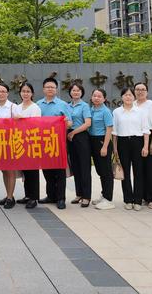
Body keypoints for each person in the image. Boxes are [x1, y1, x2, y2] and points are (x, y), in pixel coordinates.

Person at [37, 77, 72, 210]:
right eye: (47, 87)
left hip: (59, 143)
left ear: (56, 89)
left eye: (52, 87)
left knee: (60, 171)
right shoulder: (38, 104)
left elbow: (70, 123)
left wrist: (64, 123)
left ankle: (61, 198)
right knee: (47, 171)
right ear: (43, 89)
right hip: (43, 143)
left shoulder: (63, 105)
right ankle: (50, 195)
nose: (50, 89)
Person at [113, 87, 150, 210]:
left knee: (138, 172)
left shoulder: (140, 112)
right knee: (125, 172)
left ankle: (138, 201)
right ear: (122, 97)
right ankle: (128, 200)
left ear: (133, 97)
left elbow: (146, 130)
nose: (128, 97)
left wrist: (145, 146)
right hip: (122, 143)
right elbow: (115, 132)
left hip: (137, 142)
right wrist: (115, 149)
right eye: (125, 95)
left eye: (130, 95)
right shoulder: (117, 112)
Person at [13, 82, 42, 209]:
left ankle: (34, 197)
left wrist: (22, 120)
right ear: (20, 93)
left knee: (32, 171)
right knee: (25, 170)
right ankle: (27, 195)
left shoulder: (35, 107)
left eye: (28, 91)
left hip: (31, 142)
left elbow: (36, 124)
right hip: (20, 141)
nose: (25, 93)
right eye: (23, 91)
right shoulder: (17, 107)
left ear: (32, 94)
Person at [66, 82, 92, 208]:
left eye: (78, 90)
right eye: (73, 90)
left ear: (81, 93)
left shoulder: (85, 106)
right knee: (75, 166)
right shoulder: (67, 106)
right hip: (70, 138)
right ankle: (79, 194)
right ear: (70, 92)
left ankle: (86, 196)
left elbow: (87, 123)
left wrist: (74, 133)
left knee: (85, 167)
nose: (75, 92)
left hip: (81, 137)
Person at [89, 88, 115, 210]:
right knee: (100, 171)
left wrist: (104, 146)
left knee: (106, 172)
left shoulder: (106, 111)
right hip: (93, 141)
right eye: (95, 95)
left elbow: (109, 129)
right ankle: (104, 195)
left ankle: (108, 199)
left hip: (102, 141)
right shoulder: (92, 109)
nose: (96, 98)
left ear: (104, 99)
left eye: (99, 96)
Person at [0, 83, 16, 209]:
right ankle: (8, 194)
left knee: (10, 171)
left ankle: (11, 197)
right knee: (4, 170)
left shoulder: (13, 107)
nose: (1, 93)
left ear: (7, 93)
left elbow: (18, 125)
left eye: (3, 91)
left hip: (10, 142)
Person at [133, 82, 152, 209]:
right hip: (136, 139)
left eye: (143, 89)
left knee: (150, 169)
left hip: (150, 138)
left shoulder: (151, 105)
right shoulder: (133, 104)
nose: (140, 91)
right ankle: (140, 196)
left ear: (147, 92)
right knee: (138, 169)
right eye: (137, 89)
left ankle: (151, 198)